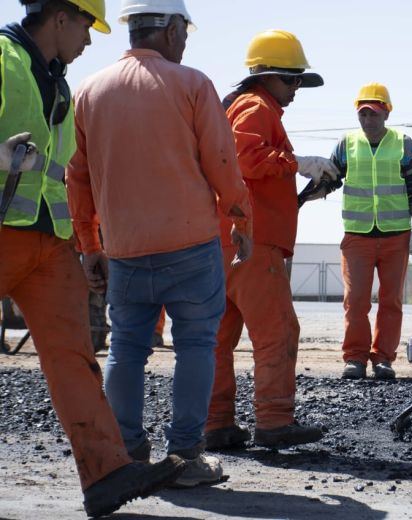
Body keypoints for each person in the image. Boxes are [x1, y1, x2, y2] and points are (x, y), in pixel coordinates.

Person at [0, 2, 184, 517]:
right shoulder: (2, 59)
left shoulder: (60, 83)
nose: (90, 39)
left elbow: (65, 174)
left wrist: (85, 244)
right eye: (87, 25)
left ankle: (106, 472)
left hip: (48, 242)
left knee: (73, 357)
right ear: (60, 16)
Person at [66, 0, 253, 488]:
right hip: (190, 244)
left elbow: (77, 178)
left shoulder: (88, 91)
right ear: (170, 30)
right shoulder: (191, 84)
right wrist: (241, 220)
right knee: (195, 345)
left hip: (123, 249)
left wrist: (89, 244)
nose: (186, 40)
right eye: (184, 31)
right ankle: (186, 457)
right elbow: (221, 162)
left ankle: (125, 454)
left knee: (126, 347)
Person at [205, 29, 331, 450]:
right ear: (270, 76)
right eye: (292, 80)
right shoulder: (258, 106)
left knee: (219, 338)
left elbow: (246, 174)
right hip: (253, 245)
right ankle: (275, 421)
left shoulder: (241, 107)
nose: (296, 89)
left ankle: (217, 424)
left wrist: (301, 188)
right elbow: (243, 158)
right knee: (278, 330)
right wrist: (298, 162)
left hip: (224, 241)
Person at [330, 83, 412, 380]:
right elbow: (330, 178)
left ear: (386, 113)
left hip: (395, 235)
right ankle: (355, 359)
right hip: (357, 235)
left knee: (390, 299)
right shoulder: (347, 144)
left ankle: (383, 358)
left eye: (373, 114)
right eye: (363, 114)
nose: (367, 120)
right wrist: (302, 194)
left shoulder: (403, 143)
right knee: (355, 300)